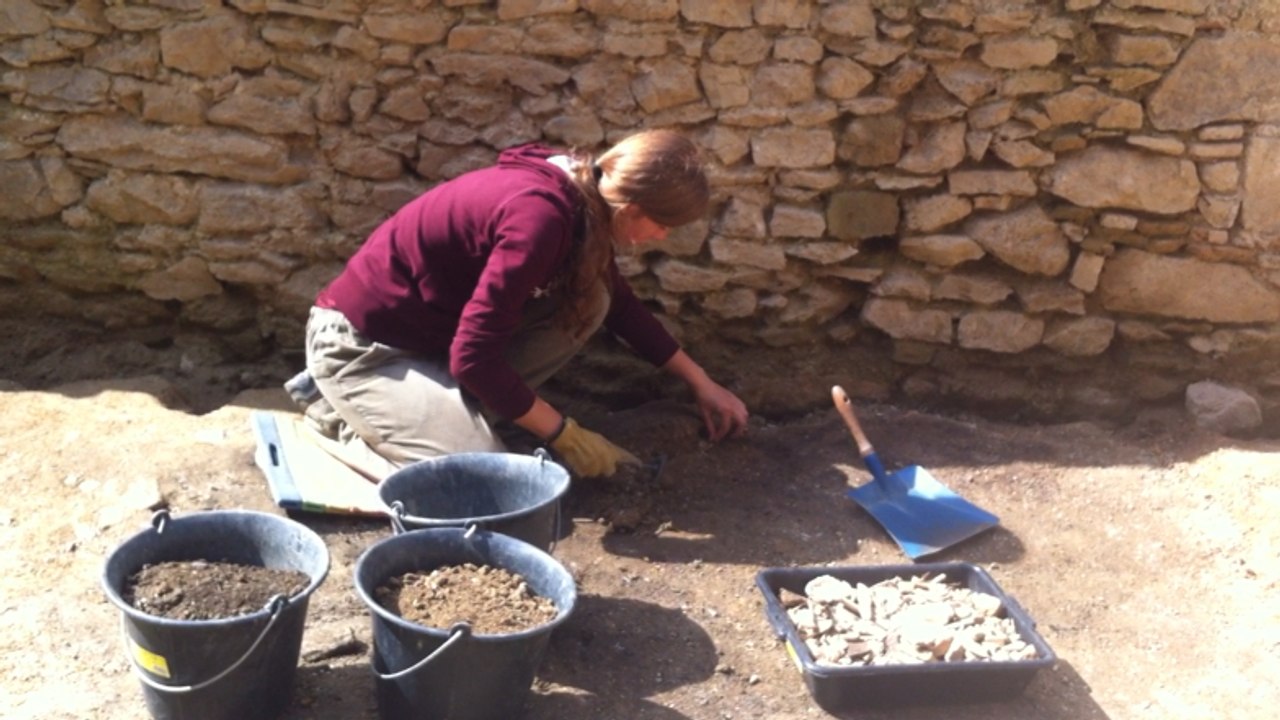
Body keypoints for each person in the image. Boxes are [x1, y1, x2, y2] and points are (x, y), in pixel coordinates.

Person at [289, 128, 749, 480]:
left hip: (432, 340)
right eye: (663, 226)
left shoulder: (588, 197)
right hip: (362, 345)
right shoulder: (540, 221)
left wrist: (700, 382)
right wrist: (564, 433)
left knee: (594, 301)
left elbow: (622, 307)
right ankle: (336, 412)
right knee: (482, 474)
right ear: (631, 211)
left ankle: (441, 412)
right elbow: (473, 359)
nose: (663, 237)